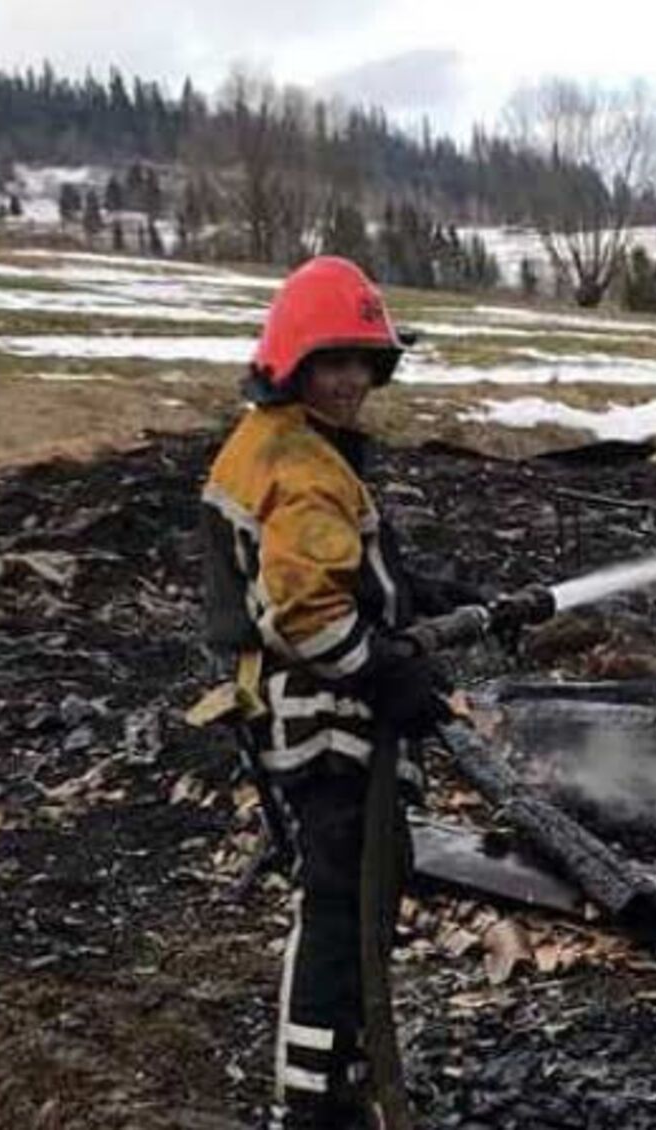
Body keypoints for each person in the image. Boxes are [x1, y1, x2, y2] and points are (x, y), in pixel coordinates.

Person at [200, 256, 486, 1128]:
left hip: (307, 712)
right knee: (342, 901)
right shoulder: (300, 465)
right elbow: (306, 614)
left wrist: (416, 594)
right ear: (292, 363)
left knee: (361, 888)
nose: (351, 380)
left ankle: (343, 1075)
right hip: (319, 719)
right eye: (332, 362)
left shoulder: (286, 443)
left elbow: (333, 572)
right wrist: (390, 673)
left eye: (364, 361)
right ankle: (315, 1100)